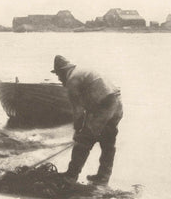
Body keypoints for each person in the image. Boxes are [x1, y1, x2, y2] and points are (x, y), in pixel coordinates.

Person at [51, 55, 123, 185]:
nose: (59, 78)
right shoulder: (83, 71)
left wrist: (78, 130)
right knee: (108, 141)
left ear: (63, 71)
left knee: (83, 141)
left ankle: (71, 175)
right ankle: (103, 177)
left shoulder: (72, 81)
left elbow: (78, 111)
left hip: (105, 105)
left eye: (58, 74)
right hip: (117, 103)